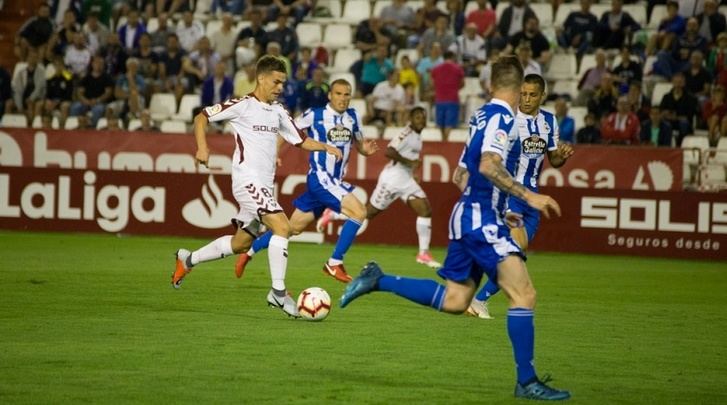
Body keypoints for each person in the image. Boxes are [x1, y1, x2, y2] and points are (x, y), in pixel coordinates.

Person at [338, 56, 571, 401]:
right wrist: (527, 196)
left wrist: (483, 202)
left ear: (491, 84)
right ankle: (527, 381)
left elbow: (459, 174)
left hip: (470, 215)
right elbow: (489, 165)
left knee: (456, 299)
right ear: (520, 87)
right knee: (524, 295)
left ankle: (378, 279)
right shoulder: (503, 118)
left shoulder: (480, 117)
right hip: (480, 218)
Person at [171, 56, 343, 319]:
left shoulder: (279, 111)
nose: (280, 87)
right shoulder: (242, 105)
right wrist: (203, 147)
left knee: (240, 244)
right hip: (246, 180)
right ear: (261, 78)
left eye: (283, 83)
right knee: (282, 227)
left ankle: (188, 259)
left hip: (263, 186)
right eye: (276, 81)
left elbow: (300, 140)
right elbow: (202, 117)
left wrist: (326, 147)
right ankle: (278, 292)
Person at [233, 78, 379, 284]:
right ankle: (335, 262)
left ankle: (248, 253)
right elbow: (286, 130)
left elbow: (359, 144)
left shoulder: (353, 116)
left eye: (347, 94)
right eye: (338, 93)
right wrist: (274, 152)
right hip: (320, 178)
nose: (342, 99)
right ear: (330, 95)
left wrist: (366, 150)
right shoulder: (314, 114)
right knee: (359, 212)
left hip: (332, 181)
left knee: (291, 228)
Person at [468, 74, 574, 319]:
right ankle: (478, 299)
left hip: (532, 198)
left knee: (515, 253)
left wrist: (563, 155)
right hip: (512, 194)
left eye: (532, 95)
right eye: (523, 93)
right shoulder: (510, 120)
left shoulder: (549, 121)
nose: (526, 99)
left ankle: (474, 290)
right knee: (514, 252)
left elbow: (554, 160)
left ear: (542, 96)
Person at [316, 107, 443, 269]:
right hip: (392, 180)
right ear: (411, 119)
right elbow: (389, 151)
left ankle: (423, 253)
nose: (421, 120)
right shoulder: (406, 133)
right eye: (418, 117)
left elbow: (410, 158)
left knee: (425, 210)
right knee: (368, 213)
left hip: (406, 180)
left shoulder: (417, 136)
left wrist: (412, 171)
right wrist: (409, 163)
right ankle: (333, 214)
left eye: (423, 117)